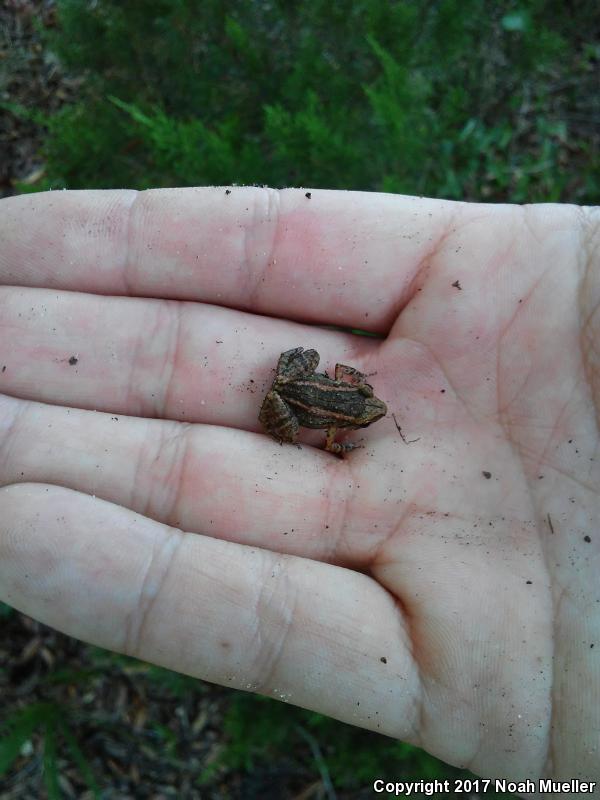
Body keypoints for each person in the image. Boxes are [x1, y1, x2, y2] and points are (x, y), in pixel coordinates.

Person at [0, 187, 598, 783]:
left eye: (366, 408)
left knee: (300, 362)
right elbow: (335, 439)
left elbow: (340, 375)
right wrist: (340, 435)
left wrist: (350, 390)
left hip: (302, 381)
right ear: (353, 410)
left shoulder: (351, 392)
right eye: (366, 409)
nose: (372, 410)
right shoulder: (341, 423)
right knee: (287, 421)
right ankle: (280, 422)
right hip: (293, 401)